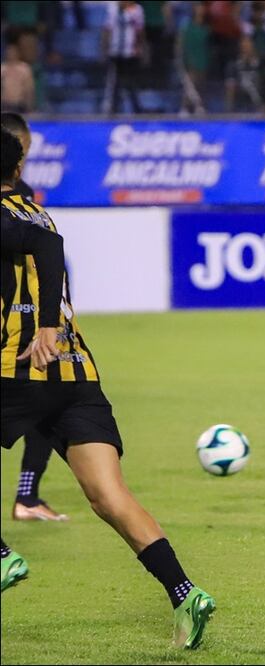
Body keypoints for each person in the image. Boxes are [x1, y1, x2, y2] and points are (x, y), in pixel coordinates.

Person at [0, 128, 215, 647]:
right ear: (18, 169)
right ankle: (184, 592)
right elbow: (45, 247)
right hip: (75, 373)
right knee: (108, 496)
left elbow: (48, 249)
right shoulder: (35, 211)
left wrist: (43, 325)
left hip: (19, 367)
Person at [1, 112, 68, 522]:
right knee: (46, 402)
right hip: (18, 327)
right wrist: (48, 321)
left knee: (45, 405)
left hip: (25, 323)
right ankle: (27, 496)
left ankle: (28, 495)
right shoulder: (19, 198)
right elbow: (45, 251)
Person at [100, 0, 145, 114]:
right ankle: (113, 107)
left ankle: (136, 108)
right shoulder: (112, 8)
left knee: (131, 81)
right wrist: (104, 48)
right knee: (114, 82)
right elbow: (107, 29)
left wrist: (140, 47)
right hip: (115, 51)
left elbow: (140, 31)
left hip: (130, 52)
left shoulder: (137, 10)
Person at [0, 44, 35, 113]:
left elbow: (29, 88)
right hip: (4, 104)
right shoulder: (2, 68)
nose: (11, 54)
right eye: (9, 52)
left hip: (20, 104)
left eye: (13, 52)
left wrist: (30, 105)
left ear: (18, 54)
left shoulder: (24, 68)